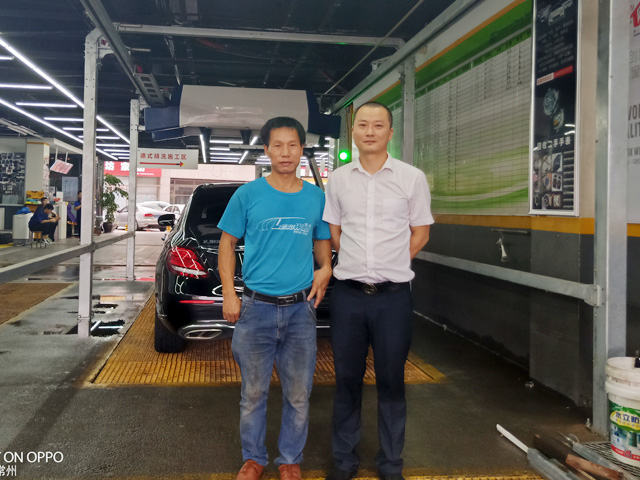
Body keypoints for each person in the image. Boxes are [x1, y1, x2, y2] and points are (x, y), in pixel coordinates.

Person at [322, 101, 434, 480]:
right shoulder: (339, 180)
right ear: (353, 131)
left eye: (378, 125)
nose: (370, 131)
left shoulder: (411, 178)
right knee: (346, 380)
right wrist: (355, 260)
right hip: (348, 297)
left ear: (390, 132)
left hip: (393, 299)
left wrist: (389, 262)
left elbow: (421, 232)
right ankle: (344, 462)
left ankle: (390, 464)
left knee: (391, 381)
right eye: (363, 125)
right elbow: (334, 230)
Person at [217, 117, 333, 480]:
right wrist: (230, 293)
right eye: (278, 145)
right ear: (266, 149)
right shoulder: (248, 195)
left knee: (298, 394)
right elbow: (226, 244)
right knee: (253, 393)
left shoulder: (316, 197)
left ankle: (290, 460)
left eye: (293, 145)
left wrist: (326, 267)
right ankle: (253, 459)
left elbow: (322, 240)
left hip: (300, 310)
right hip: (255, 309)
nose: (286, 152)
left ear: (302, 149)